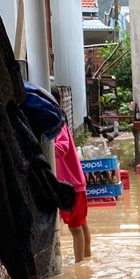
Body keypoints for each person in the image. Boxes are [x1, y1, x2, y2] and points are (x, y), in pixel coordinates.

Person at [52, 96, 91, 262]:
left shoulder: (57, 126)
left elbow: (60, 149)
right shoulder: (59, 123)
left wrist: (41, 145)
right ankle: (87, 258)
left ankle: (79, 266)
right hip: (74, 183)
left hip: (71, 185)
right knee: (81, 224)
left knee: (76, 228)